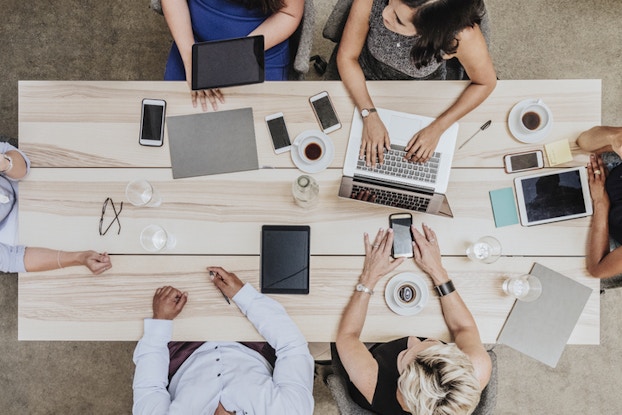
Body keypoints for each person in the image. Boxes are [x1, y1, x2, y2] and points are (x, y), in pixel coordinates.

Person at [337, 226, 491, 415]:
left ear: (401, 385)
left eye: (406, 354)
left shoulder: (377, 388)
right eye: (432, 343)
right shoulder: (477, 369)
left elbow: (347, 336)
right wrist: (438, 271)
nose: (415, 339)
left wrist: (369, 277)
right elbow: (463, 327)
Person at [132, 266, 314, 414]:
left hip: (182, 343)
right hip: (254, 338)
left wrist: (161, 320)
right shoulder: (291, 411)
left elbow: (150, 387)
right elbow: (292, 348)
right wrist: (244, 296)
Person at [337, 0, 497, 165]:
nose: (384, 13)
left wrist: (438, 128)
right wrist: (368, 114)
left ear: (432, 32)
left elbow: (486, 82)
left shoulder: (459, 35)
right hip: (364, 80)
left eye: (399, 19)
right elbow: (347, 57)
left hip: (423, 93)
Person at [161, 0, 304, 111]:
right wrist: (191, 58)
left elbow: (290, 12)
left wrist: (236, 55)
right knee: (178, 118)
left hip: (258, 49)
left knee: (255, 131)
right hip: (194, 43)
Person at [0, 140, 111, 274]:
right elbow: (13, 260)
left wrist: (6, 163)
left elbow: (20, 164)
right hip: (23, 235)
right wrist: (80, 258)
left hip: (30, 181)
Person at [583, 152, 622, 279]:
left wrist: (601, 202)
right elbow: (586, 142)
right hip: (598, 169)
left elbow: (597, 269)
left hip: (599, 218)